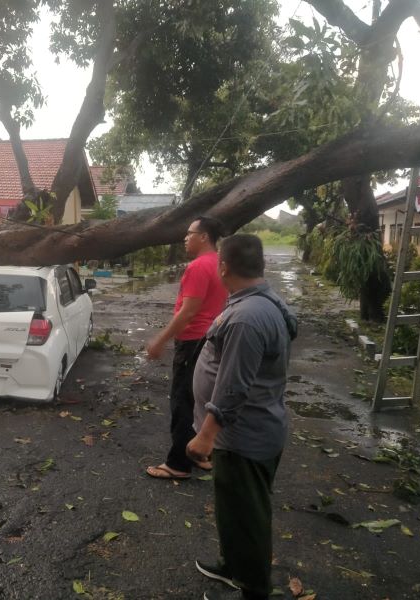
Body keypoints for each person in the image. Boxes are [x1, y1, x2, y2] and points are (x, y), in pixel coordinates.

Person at [186, 233, 295, 600]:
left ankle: (252, 588)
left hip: (243, 438)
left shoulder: (247, 317)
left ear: (224, 267)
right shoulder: (260, 300)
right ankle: (234, 565)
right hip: (248, 434)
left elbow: (233, 387)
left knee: (247, 516)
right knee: (235, 510)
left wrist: (206, 434)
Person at [145, 216, 227, 480]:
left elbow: (188, 311)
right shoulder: (220, 263)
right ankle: (201, 454)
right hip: (213, 338)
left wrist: (161, 339)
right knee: (202, 399)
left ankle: (178, 464)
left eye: (189, 233)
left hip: (193, 341)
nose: (185, 238)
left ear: (204, 237)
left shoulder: (198, 267)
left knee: (183, 402)